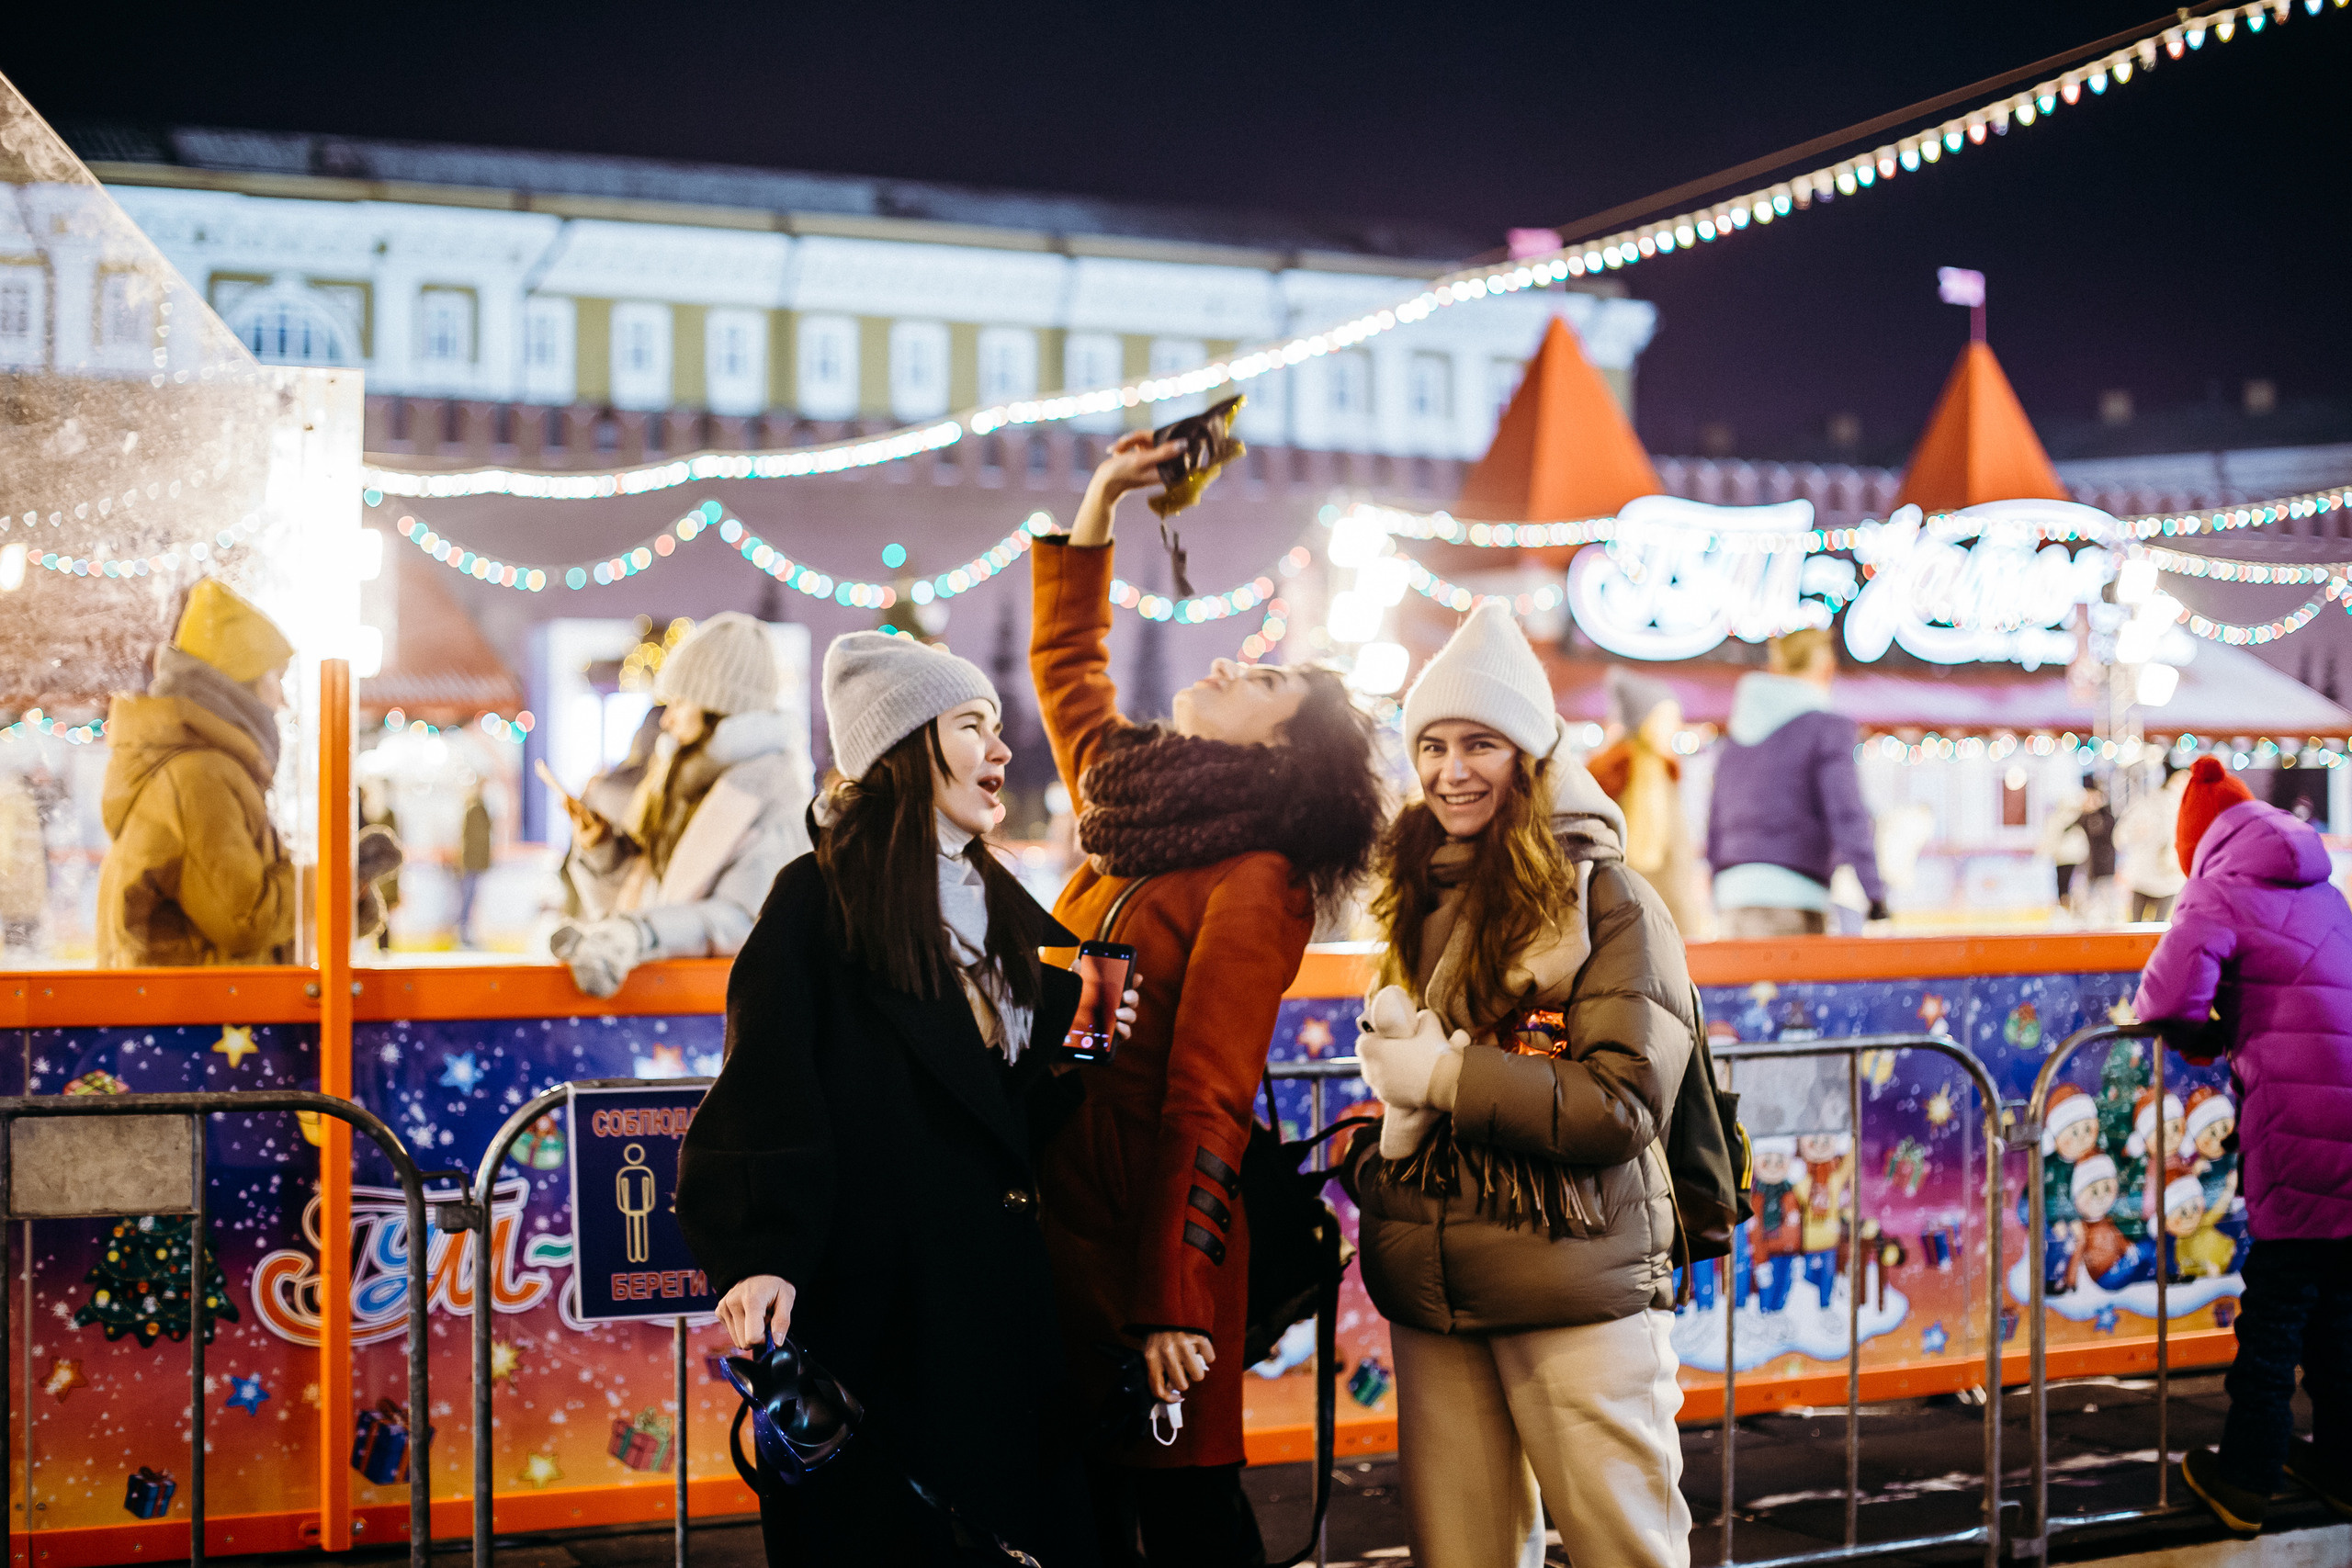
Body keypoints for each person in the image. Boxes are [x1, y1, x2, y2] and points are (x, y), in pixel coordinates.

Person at [676, 630, 1127, 1567]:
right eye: (973, 726)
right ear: (902, 744)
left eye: (998, 728)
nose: (1002, 751)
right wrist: (762, 1255)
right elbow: (765, 1085)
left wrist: (1101, 1012)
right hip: (879, 1313)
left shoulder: (997, 894)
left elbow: (1060, 1047)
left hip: (1000, 1298)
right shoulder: (815, 896)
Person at [1030, 430, 1387, 1566]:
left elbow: (1206, 1102)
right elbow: (1070, 671)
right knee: (1076, 1524)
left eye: (1266, 680)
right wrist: (1101, 502)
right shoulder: (1134, 806)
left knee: (1188, 1532)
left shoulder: (1252, 878)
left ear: (1284, 756)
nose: (1231, 663)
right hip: (1057, 1230)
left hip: (1146, 1258)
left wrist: (1173, 1300)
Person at [1344, 602, 1694, 1568]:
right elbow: (1420, 1095)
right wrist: (1397, 1129)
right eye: (1433, 745)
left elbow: (1618, 1105)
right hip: (1436, 1292)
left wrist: (1448, 1076)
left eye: (1480, 744)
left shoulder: (1608, 898)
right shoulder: (1416, 894)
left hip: (1569, 1280)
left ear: (1531, 756)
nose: (1450, 772)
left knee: (1626, 1550)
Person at [2133, 757, 2352, 1535]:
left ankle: (2246, 1479)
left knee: (2275, 1313)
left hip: (2292, 1129)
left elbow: (2166, 995)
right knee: (2338, 1310)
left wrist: (2206, 1040)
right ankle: (2341, 1464)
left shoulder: (2216, 888)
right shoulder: (2329, 891)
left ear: (2198, 843)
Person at [551, 612, 811, 997]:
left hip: (726, 1018)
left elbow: (745, 922)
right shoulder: (687, 781)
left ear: (719, 704)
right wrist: (604, 851)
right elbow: (662, 896)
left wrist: (639, 934)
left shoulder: (770, 790)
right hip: (673, 1005)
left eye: (680, 701)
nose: (667, 719)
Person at [1706, 628, 1886, 938]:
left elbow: (1715, 819)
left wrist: (1717, 883)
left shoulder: (1736, 733)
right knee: (1789, 988)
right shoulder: (1827, 728)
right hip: (1794, 895)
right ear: (1827, 667)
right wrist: (1874, 893)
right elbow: (1846, 813)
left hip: (1732, 895)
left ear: (1775, 668)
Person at [1587, 666, 1710, 939]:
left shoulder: (1604, 773)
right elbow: (1662, 869)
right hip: (1654, 926)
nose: (1674, 727)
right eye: (1668, 718)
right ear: (1647, 723)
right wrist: (1688, 932)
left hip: (1614, 922)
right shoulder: (1648, 773)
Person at [2117, 761, 2188, 923]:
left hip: (2168, 877)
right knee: (2145, 929)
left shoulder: (2186, 806)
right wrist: (2137, 833)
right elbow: (2121, 836)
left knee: (2150, 928)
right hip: (2147, 875)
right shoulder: (2150, 803)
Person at [456, 776, 492, 948]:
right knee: (468, 899)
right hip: (472, 863)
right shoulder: (475, 810)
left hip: (474, 862)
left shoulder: (477, 808)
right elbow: (474, 840)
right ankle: (464, 935)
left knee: (471, 899)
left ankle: (467, 935)